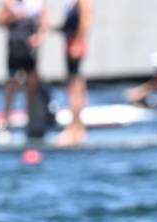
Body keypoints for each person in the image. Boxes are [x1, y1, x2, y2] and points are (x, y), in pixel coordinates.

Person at [0, 0, 49, 131]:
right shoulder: (9, 2)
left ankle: (31, 119)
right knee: (11, 83)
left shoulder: (36, 3)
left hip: (29, 49)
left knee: (31, 84)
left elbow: (45, 22)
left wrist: (38, 37)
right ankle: (6, 121)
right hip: (14, 47)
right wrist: (15, 15)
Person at [56, 0, 91, 146]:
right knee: (73, 83)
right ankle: (76, 125)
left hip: (75, 43)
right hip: (71, 40)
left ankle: (76, 126)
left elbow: (85, 20)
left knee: (74, 85)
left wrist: (78, 42)